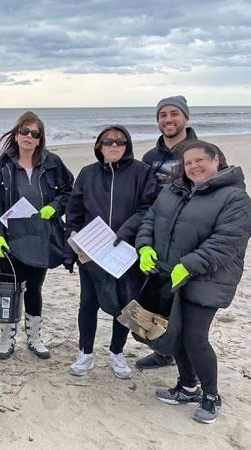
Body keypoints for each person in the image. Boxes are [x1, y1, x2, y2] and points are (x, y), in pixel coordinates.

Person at [136, 140, 251, 424]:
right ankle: (188, 387)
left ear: (217, 160)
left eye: (200, 160)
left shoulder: (234, 198)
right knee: (174, 334)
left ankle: (211, 395)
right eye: (188, 163)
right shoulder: (173, 191)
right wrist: (145, 246)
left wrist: (188, 265)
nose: (194, 167)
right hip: (169, 276)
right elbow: (151, 219)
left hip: (206, 280)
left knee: (195, 339)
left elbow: (227, 242)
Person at [65, 125, 157, 379]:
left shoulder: (142, 172)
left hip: (125, 251)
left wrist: (123, 233)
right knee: (88, 303)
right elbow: (73, 213)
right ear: (99, 146)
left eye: (121, 141)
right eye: (108, 141)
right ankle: (85, 353)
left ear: (127, 145)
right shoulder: (87, 173)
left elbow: (148, 207)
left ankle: (117, 353)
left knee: (123, 302)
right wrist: (71, 248)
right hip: (92, 252)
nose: (114, 145)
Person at [0, 111, 74, 360]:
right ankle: (6, 338)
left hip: (40, 237)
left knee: (34, 288)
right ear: (16, 134)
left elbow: (70, 191)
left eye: (35, 133)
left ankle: (34, 337)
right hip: (10, 239)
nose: (29, 136)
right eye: (24, 131)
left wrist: (55, 207)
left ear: (40, 139)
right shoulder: (2, 164)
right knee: (9, 289)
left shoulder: (53, 162)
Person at [136, 95, 198, 370]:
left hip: (191, 239)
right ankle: (164, 353)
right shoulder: (150, 158)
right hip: (159, 240)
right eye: (163, 115)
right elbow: (146, 200)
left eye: (174, 114)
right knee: (160, 300)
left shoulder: (202, 152)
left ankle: (190, 367)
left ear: (185, 117)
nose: (168, 119)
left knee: (188, 307)